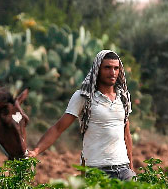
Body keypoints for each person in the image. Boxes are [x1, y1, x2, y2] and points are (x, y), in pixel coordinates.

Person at [26, 49, 135, 180]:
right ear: (98, 69)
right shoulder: (84, 97)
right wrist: (36, 151)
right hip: (96, 169)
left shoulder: (123, 97)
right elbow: (58, 128)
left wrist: (131, 167)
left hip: (123, 169)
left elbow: (126, 134)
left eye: (116, 68)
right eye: (107, 68)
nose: (112, 72)